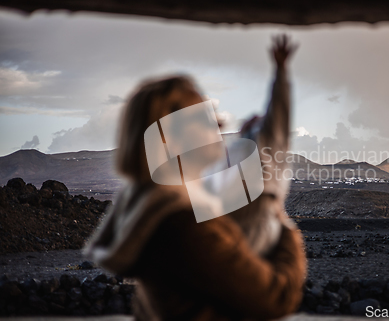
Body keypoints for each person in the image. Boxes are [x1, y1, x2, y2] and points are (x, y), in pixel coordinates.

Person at [84, 34, 306, 321]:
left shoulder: (150, 203)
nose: (221, 123)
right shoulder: (186, 226)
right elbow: (276, 298)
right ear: (170, 139)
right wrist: (285, 228)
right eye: (205, 116)